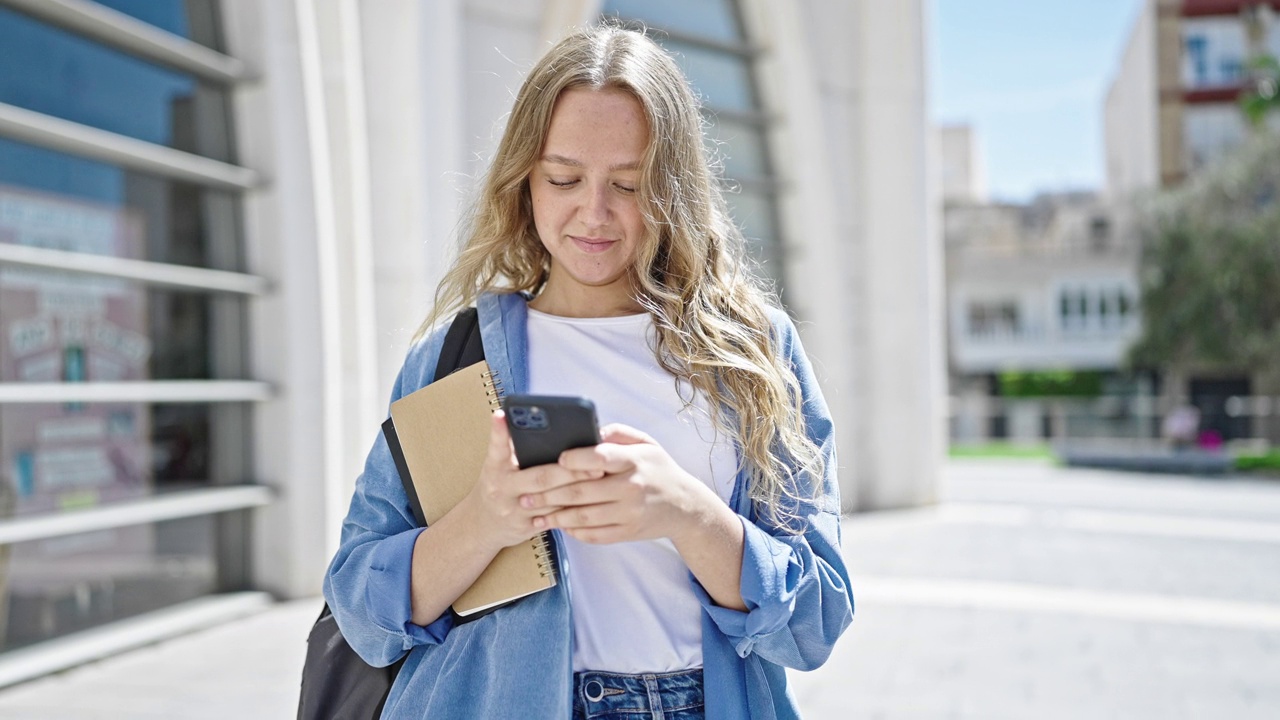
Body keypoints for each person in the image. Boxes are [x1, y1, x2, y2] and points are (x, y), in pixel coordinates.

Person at [323, 24, 853, 720]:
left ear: (673, 188)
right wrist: (486, 520)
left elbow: (815, 619)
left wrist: (689, 516)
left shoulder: (752, 352)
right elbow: (361, 606)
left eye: (628, 184)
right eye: (564, 178)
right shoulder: (458, 355)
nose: (594, 213)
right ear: (525, 182)